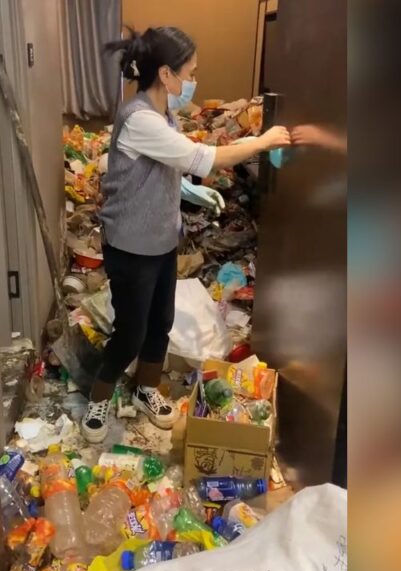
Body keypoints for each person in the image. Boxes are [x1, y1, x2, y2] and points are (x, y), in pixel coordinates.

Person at [80, 26, 291, 443]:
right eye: (190, 72)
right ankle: (99, 397)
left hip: (161, 240)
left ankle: (145, 390)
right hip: (131, 245)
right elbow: (199, 157)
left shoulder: (164, 115)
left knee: (161, 322)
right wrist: (261, 142)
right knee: (131, 332)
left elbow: (164, 167)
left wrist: (192, 191)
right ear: (166, 74)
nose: (194, 79)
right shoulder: (139, 118)